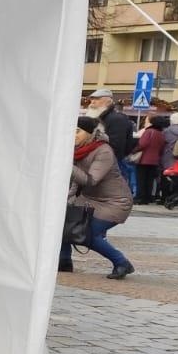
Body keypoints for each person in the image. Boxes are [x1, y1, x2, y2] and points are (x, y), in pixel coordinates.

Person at [62, 116, 134, 278]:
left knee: (85, 234)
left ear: (89, 134)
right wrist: (68, 198)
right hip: (89, 199)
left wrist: (67, 163)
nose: (73, 135)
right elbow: (76, 180)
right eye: (71, 131)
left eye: (77, 131)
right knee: (63, 222)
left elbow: (90, 180)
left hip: (115, 202)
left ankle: (122, 263)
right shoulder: (78, 149)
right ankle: (64, 261)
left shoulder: (103, 150)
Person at [87, 89, 135, 194]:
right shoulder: (99, 118)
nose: (92, 102)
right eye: (92, 100)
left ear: (108, 102)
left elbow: (117, 146)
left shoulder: (116, 119)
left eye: (97, 99)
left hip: (110, 166)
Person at [132, 116, 165, 204]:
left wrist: (133, 150)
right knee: (149, 180)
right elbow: (162, 147)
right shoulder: (161, 133)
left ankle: (140, 197)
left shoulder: (149, 131)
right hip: (155, 160)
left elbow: (142, 144)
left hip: (144, 159)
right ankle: (148, 197)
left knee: (141, 179)